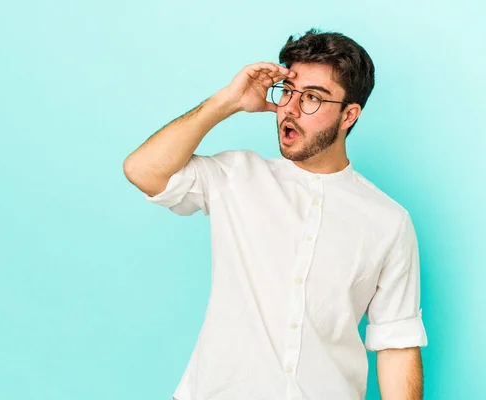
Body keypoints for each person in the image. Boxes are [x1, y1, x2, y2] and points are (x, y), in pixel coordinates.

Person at [123, 28, 428, 400]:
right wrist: (227, 101)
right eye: (287, 92)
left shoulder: (388, 221)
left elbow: (397, 342)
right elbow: (143, 170)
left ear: (349, 115)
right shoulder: (236, 175)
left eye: (312, 98)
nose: (291, 110)